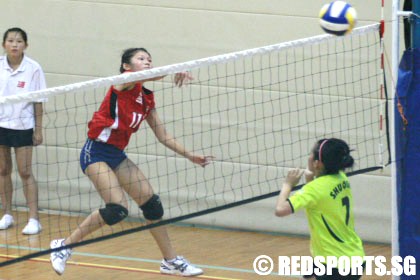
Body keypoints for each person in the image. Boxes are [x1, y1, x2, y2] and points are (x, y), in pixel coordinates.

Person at [50, 47, 214, 277]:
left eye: (149, 59)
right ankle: (63, 247)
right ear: (127, 66)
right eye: (141, 58)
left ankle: (170, 261)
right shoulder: (123, 83)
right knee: (117, 209)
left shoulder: (146, 99)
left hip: (116, 155)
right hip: (95, 152)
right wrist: (176, 69)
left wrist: (190, 155)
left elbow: (163, 135)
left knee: (152, 206)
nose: (147, 61)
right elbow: (145, 76)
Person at [275, 138, 365, 279]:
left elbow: (280, 210)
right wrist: (310, 179)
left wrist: (288, 184)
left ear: (317, 163)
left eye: (312, 154)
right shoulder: (342, 178)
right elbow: (320, 199)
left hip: (333, 266)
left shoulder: (314, 190)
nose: (309, 156)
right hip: (355, 258)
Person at [0, 27, 46, 235]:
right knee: (2, 170)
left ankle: (34, 218)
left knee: (25, 171)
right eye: (10, 41)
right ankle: (7, 213)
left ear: (25, 45)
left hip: (23, 126)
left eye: (19, 41)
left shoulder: (33, 68)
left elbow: (38, 100)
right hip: (1, 125)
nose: (14, 44)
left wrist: (38, 129)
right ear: (4, 45)